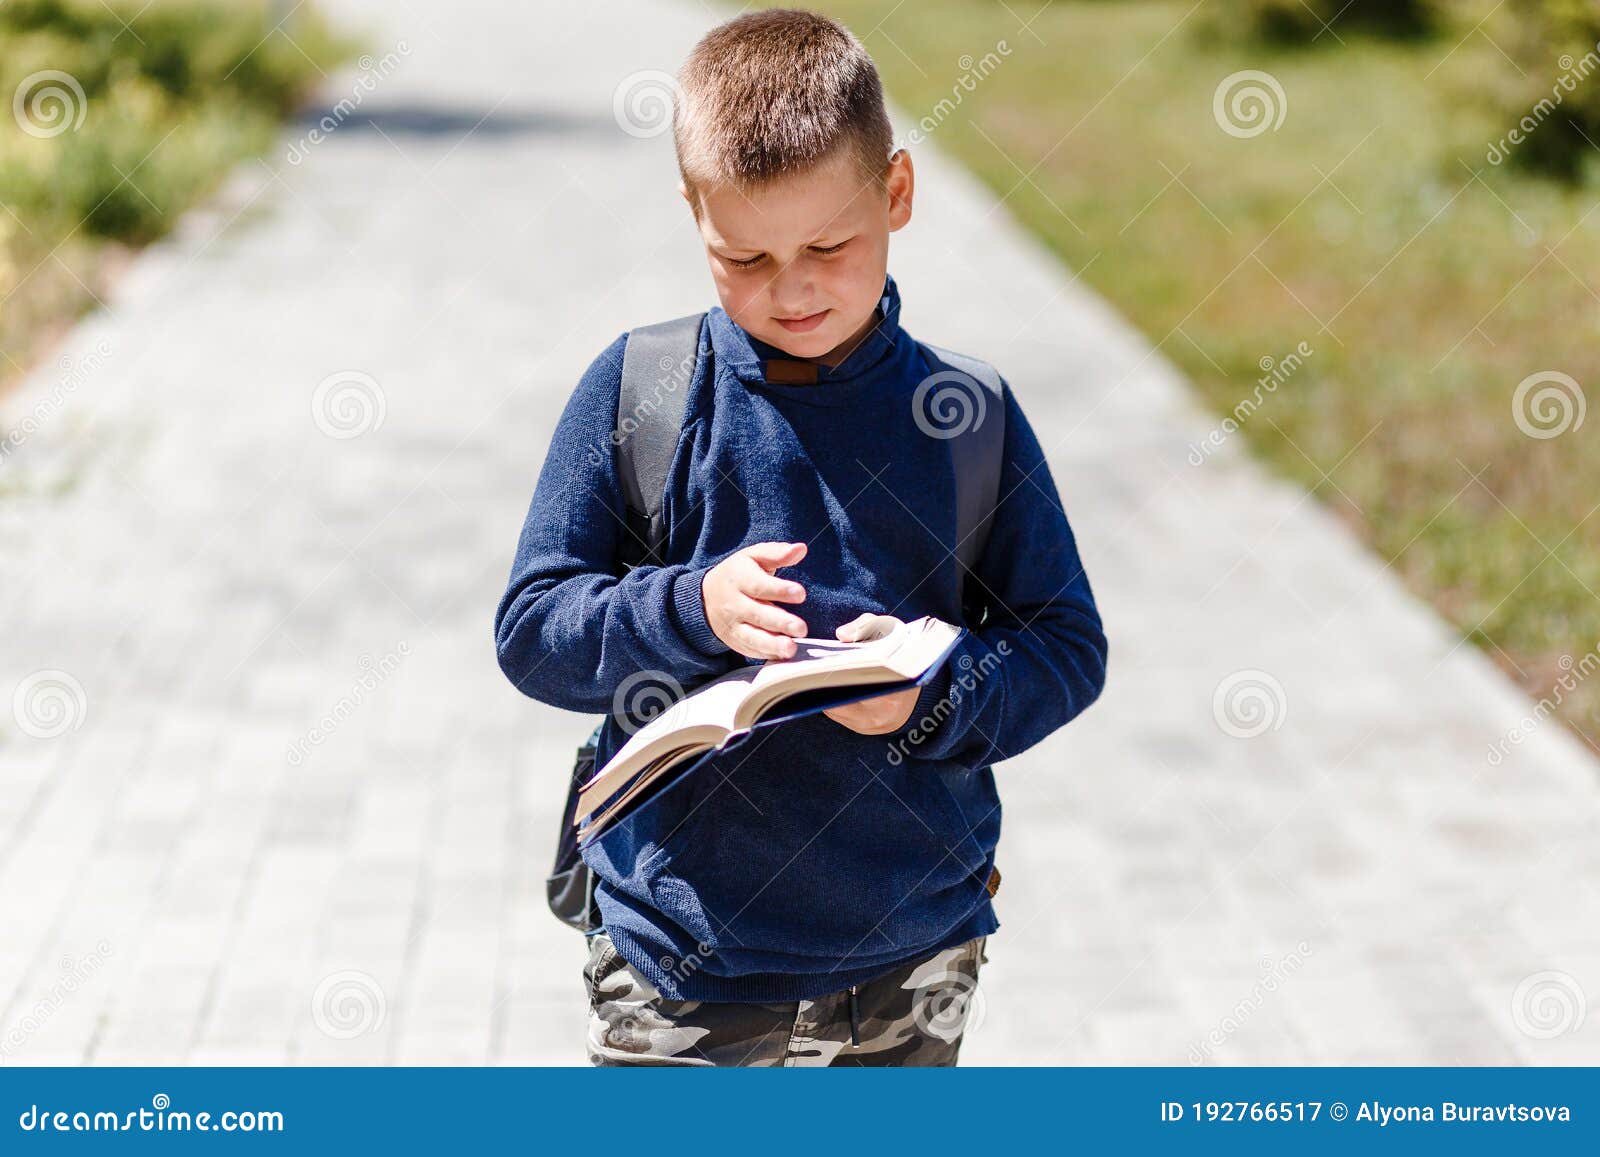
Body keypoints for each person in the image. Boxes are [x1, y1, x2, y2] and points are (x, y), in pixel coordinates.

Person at [493, 8, 1107, 1066]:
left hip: (912, 954)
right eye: (743, 256)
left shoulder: (964, 416)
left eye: (829, 244)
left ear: (898, 195)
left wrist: (935, 696)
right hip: (678, 963)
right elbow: (531, 627)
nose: (791, 288)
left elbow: (1064, 645)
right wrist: (688, 609)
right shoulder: (641, 391)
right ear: (695, 218)